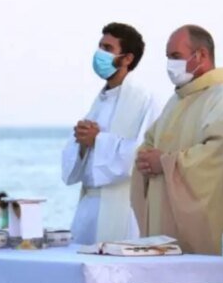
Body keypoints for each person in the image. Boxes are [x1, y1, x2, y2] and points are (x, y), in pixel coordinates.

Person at [131, 25, 223, 254]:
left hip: (204, 229)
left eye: (176, 56)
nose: (170, 64)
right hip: (164, 221)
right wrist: (145, 159)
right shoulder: (176, 100)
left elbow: (221, 156)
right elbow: (151, 140)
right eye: (168, 57)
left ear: (201, 55)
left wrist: (165, 163)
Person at [61, 22, 158, 244]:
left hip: (123, 207)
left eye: (107, 48)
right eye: (100, 46)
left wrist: (97, 140)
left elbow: (141, 153)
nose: (100, 54)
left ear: (127, 58)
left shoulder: (144, 100)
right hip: (88, 207)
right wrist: (82, 143)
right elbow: (73, 167)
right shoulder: (100, 100)